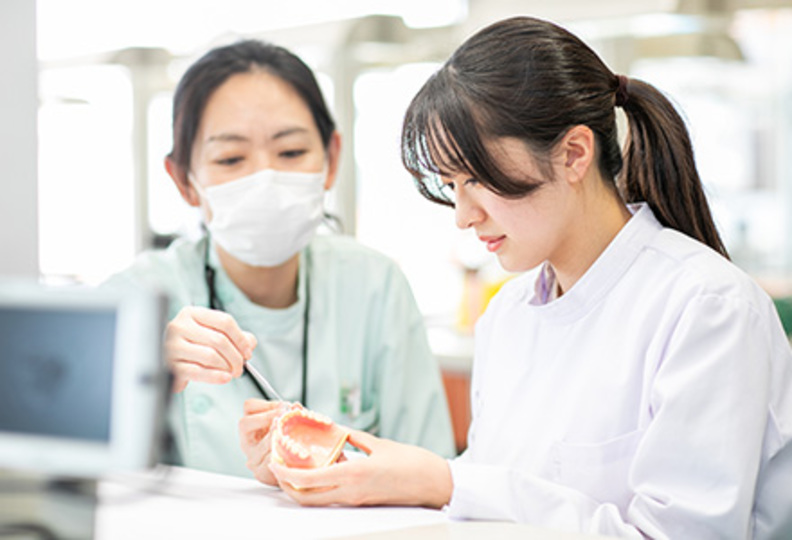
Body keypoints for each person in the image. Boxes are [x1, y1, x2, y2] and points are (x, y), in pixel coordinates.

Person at [245, 16, 792, 539]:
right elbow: (490, 493)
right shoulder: (506, 316)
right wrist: (339, 472)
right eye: (451, 185)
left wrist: (445, 482)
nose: (463, 215)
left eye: (477, 179)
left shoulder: (707, 307)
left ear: (574, 154)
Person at [105, 39, 455, 478]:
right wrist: (147, 379)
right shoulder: (136, 299)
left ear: (331, 159)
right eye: (230, 158)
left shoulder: (374, 285)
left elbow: (435, 473)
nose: (265, 179)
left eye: (290, 152)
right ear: (184, 181)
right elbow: (67, 473)